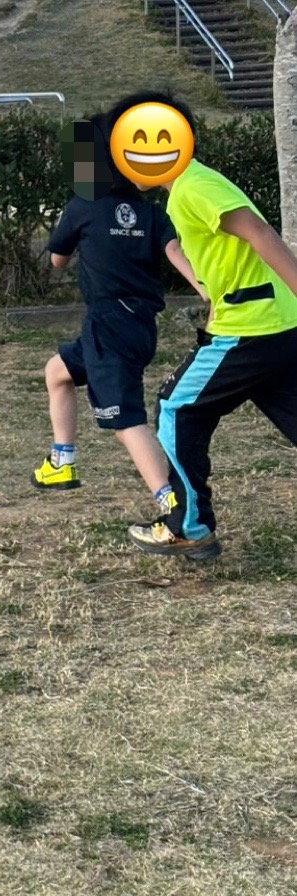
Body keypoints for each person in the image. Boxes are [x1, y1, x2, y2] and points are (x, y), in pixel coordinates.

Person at [108, 91, 297, 560]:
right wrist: (213, 306)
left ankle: (188, 527)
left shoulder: (194, 185)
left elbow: (258, 232)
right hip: (272, 324)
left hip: (252, 327)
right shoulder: (188, 189)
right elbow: (229, 257)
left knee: (177, 408)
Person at [33, 112, 206, 533]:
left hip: (108, 325)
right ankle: (61, 462)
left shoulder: (82, 205)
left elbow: (56, 261)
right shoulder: (150, 212)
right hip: (139, 325)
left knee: (126, 421)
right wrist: (207, 291)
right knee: (57, 372)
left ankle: (174, 507)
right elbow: (177, 255)